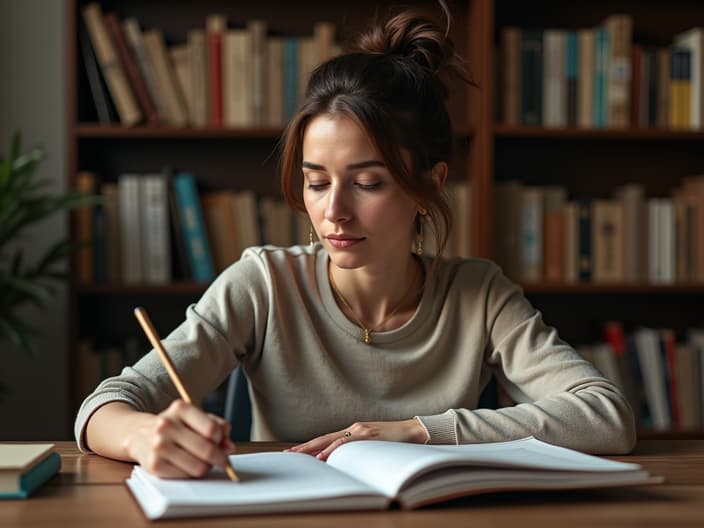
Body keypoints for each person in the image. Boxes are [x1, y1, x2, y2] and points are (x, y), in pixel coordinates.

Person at [75, 2, 636, 478]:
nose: (333, 211)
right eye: (316, 182)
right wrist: (147, 437)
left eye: (368, 183)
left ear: (427, 186)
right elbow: (103, 408)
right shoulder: (265, 284)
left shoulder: (479, 294)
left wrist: (421, 431)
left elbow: (605, 416)